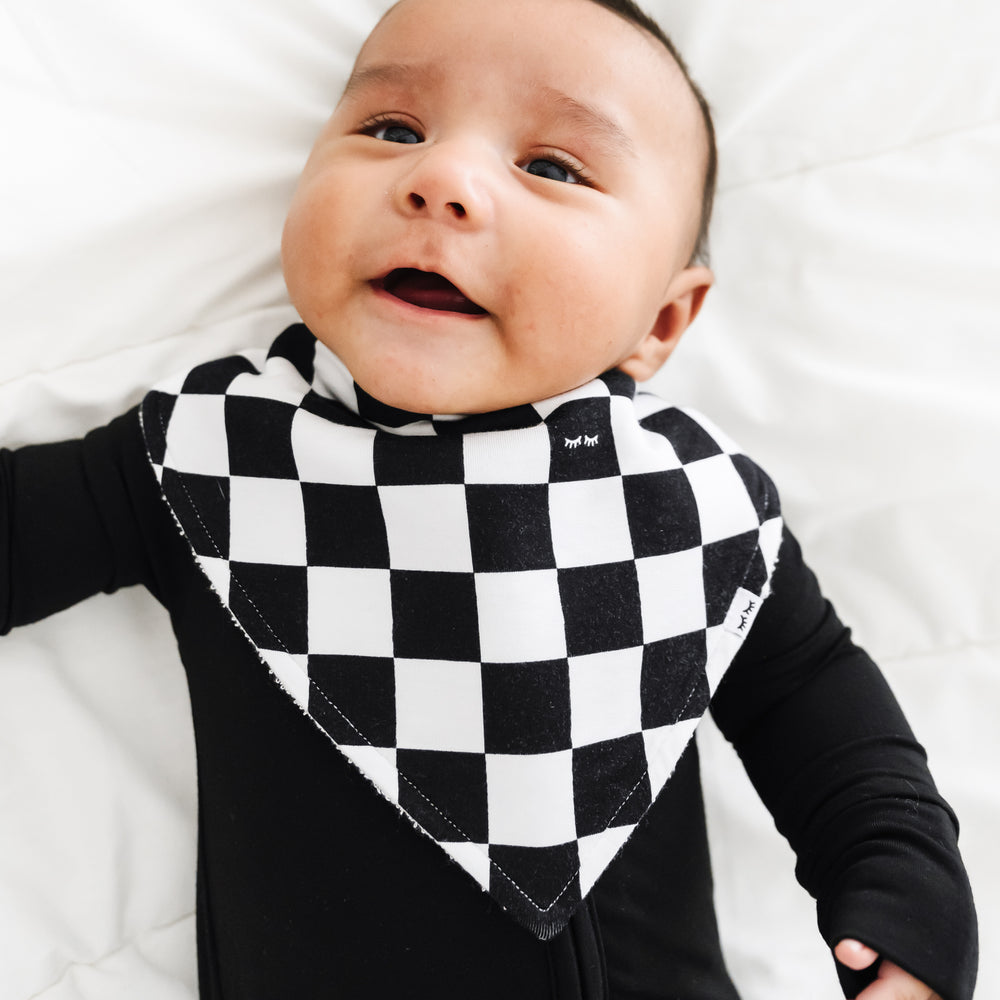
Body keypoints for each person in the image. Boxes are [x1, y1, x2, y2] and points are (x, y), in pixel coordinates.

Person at [0, 0, 977, 997]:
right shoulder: (209, 459)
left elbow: (827, 720)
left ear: (661, 320)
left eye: (552, 167)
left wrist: (908, 910)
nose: (441, 182)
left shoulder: (686, 505)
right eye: (392, 130)